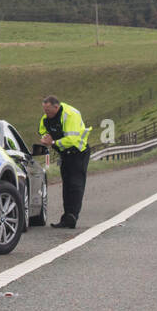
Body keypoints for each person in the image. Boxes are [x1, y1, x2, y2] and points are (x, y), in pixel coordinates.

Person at [39, 95, 91, 228]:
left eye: (49, 111)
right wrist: (44, 138)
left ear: (56, 107)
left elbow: (72, 140)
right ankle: (66, 217)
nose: (46, 114)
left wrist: (53, 142)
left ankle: (72, 216)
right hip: (65, 154)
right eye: (45, 111)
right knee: (67, 185)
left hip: (78, 152)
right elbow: (42, 131)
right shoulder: (46, 118)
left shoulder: (70, 114)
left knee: (75, 185)